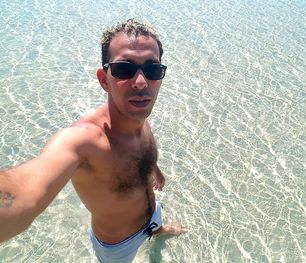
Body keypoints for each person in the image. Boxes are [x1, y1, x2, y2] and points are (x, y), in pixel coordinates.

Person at [0, 19, 185, 262]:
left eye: (152, 70)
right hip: (119, 246)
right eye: (124, 69)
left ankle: (159, 232)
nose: (141, 82)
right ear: (103, 79)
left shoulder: (138, 114)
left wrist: (155, 170)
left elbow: (143, 151)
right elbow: (23, 194)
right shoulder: (83, 142)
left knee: (157, 225)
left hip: (152, 217)